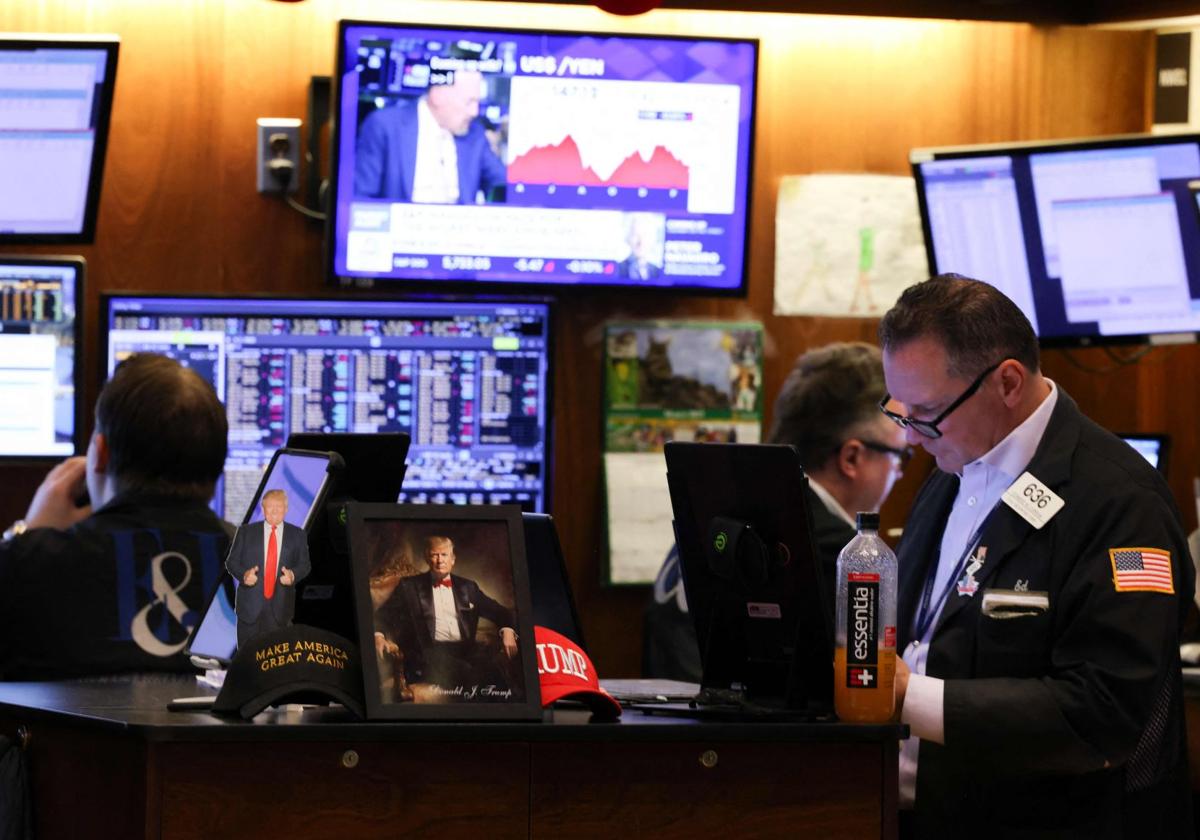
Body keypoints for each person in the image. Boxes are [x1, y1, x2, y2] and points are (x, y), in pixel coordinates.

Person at [879, 275, 1193, 837]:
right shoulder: (950, 470)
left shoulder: (1123, 502)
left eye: (926, 413)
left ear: (1007, 382)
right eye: (901, 412)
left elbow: (1104, 710)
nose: (910, 437)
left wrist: (906, 696)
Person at [643, 342, 909, 681]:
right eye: (900, 456)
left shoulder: (718, 514)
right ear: (851, 458)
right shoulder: (833, 552)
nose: (899, 472)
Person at [0, 353, 231, 679]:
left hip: (61, 734)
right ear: (220, 461)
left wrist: (25, 539)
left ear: (101, 454)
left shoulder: (26, 566)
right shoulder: (265, 573)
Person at [375, 535, 518, 692]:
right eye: (434, 555)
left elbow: (501, 612)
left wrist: (508, 631)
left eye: (444, 555)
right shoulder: (409, 587)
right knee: (470, 674)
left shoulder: (468, 587)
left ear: (453, 559)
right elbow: (383, 614)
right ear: (427, 558)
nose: (439, 560)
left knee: (497, 674)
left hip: (465, 651)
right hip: (427, 654)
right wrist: (378, 636)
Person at [353, 68, 507, 204]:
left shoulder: (475, 133)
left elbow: (504, 183)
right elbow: (362, 196)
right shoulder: (384, 125)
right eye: (469, 102)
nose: (474, 112)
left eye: (478, 102)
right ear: (438, 96)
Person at [225, 489, 310, 648]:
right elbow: (232, 562)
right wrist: (244, 575)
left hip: (281, 609)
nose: (274, 511)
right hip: (249, 609)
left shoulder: (297, 535)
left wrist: (292, 575)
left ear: (286, 509)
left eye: (278, 507)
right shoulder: (245, 532)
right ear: (263, 509)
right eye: (270, 507)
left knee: (277, 661)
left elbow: (305, 565)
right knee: (247, 658)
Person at [616, 213, 664, 281]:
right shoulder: (617, 270)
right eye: (636, 235)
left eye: (645, 235)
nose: (641, 242)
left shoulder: (658, 272)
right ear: (628, 238)